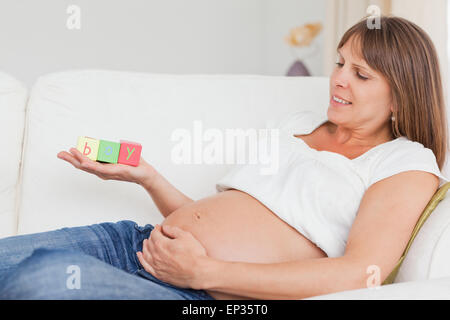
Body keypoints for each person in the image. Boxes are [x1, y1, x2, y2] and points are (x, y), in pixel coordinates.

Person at [0, 15, 448, 300]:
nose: (338, 80)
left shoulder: (403, 163)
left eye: (360, 73)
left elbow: (359, 273)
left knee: (43, 279)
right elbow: (213, 220)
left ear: (399, 96)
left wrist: (203, 273)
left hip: (204, 296)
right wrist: (148, 178)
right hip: (134, 241)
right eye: (339, 63)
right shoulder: (295, 125)